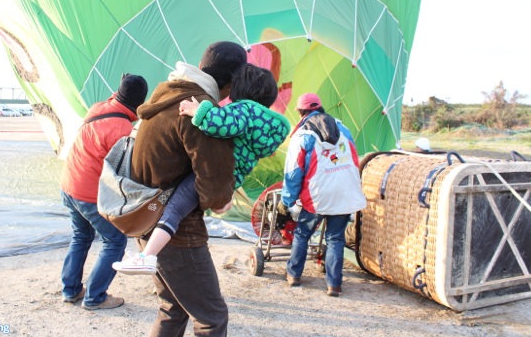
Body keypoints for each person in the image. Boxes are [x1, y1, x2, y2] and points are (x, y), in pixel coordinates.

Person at [113, 64, 290, 275]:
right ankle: (221, 202)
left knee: (174, 210)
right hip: (233, 176)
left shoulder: (247, 110)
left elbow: (221, 124)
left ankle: (147, 256)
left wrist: (197, 110)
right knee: (182, 207)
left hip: (219, 171)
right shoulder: (271, 124)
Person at [128, 41, 246, 337]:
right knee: (211, 318)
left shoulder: (166, 93)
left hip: (147, 219)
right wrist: (223, 197)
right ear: (233, 79)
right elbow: (217, 188)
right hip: (179, 232)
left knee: (173, 309)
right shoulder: (201, 110)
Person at [60, 73, 148, 310]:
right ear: (140, 104)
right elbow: (127, 172)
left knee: (81, 236)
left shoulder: (97, 108)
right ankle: (95, 297)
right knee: (115, 241)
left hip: (69, 186)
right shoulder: (122, 130)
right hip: (89, 196)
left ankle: (71, 290)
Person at [281, 93, 366, 297]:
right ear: (320, 107)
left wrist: (288, 200)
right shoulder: (343, 128)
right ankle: (334, 285)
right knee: (335, 238)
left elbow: (293, 172)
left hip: (317, 195)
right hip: (346, 191)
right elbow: (354, 159)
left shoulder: (302, 135)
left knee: (302, 234)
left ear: (301, 112)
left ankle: (293, 275)